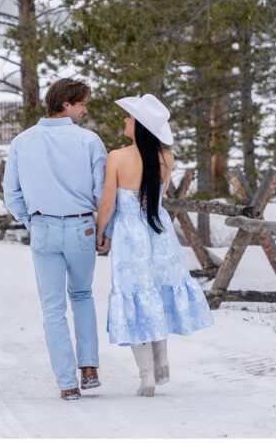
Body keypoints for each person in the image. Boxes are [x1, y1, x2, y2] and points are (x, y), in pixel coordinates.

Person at [95, 93, 214, 397]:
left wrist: (100, 232)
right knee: (157, 293)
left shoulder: (117, 157)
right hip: (158, 232)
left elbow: (108, 203)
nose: (125, 119)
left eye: (130, 117)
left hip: (129, 234)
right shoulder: (166, 158)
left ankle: (146, 374)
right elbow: (156, 198)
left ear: (140, 125)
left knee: (134, 295)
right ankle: (162, 361)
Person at [3, 78, 110, 401]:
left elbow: (12, 193)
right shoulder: (89, 142)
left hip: (43, 228)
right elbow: (101, 192)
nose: (85, 110)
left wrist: (30, 221)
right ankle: (89, 366)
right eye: (82, 104)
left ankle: (66, 382)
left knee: (52, 309)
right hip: (80, 227)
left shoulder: (23, 141)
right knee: (81, 296)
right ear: (66, 103)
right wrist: (103, 230)